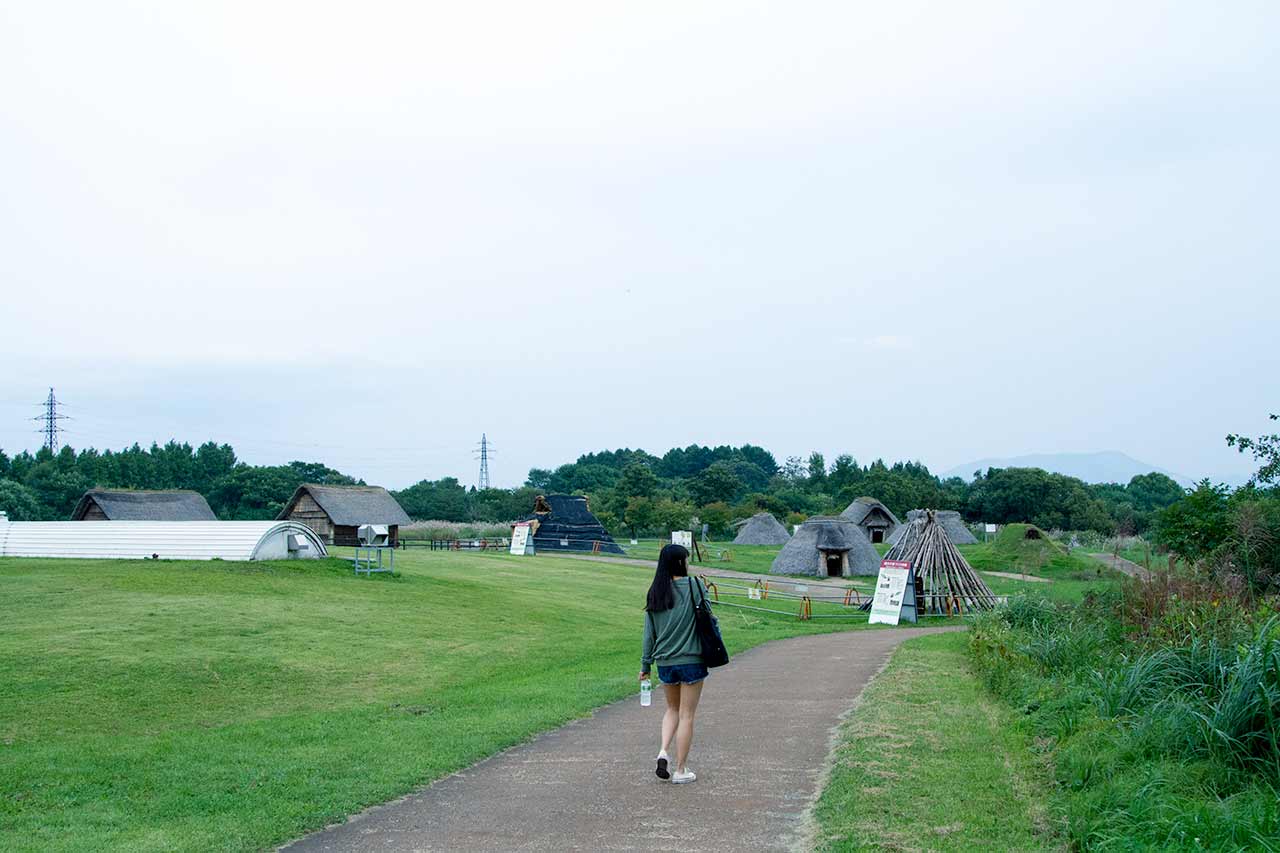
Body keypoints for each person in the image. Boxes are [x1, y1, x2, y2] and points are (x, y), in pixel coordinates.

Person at [639, 543, 717, 784]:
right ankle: (681, 769)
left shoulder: (655, 592)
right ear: (681, 563)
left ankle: (663, 751)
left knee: (672, 710)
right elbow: (709, 616)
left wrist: (645, 666)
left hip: (664, 661)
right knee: (687, 715)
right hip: (691, 658)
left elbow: (648, 634)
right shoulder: (695, 585)